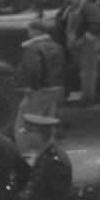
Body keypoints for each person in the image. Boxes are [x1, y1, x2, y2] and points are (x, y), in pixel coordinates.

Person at [18, 115, 80, 200]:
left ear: (38, 136)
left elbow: (63, 199)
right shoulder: (46, 155)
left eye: (27, 133)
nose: (23, 137)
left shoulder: (54, 162)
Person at [13, 22, 66, 154]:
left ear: (37, 31)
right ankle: (48, 148)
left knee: (25, 121)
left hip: (40, 90)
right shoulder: (56, 46)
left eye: (30, 31)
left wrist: (32, 87)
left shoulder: (33, 48)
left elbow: (34, 70)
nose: (28, 34)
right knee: (48, 120)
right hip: (55, 88)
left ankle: (27, 151)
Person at [67, 0, 100, 103]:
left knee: (88, 70)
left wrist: (84, 38)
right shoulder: (78, 7)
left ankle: (88, 97)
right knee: (85, 70)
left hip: (89, 43)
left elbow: (99, 23)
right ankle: (89, 94)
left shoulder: (89, 7)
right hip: (81, 44)